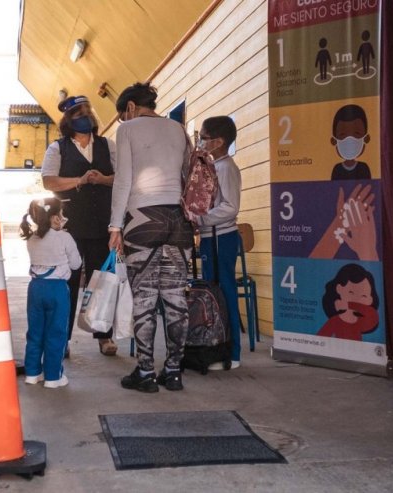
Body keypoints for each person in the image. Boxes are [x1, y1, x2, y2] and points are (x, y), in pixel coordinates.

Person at [109, 82, 194, 393]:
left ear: (130, 107)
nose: (122, 121)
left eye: (122, 115)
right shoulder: (178, 129)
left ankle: (145, 372)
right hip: (178, 221)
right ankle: (173, 371)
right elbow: (187, 176)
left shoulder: (128, 130)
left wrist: (115, 226)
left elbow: (124, 180)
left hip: (143, 220)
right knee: (175, 299)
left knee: (144, 299)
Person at [41, 95, 118, 357]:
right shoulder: (57, 148)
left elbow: (123, 178)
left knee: (102, 281)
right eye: (78, 114)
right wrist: (80, 180)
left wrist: (104, 179)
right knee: (68, 282)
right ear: (69, 121)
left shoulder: (109, 145)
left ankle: (103, 336)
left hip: (102, 225)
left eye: (87, 111)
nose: (85, 117)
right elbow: (49, 182)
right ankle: (62, 339)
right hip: (71, 228)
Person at [188, 116, 243, 370]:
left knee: (224, 292)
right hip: (211, 237)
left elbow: (230, 208)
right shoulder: (211, 166)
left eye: (204, 137)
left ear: (219, 142)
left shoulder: (225, 168)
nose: (200, 141)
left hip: (222, 237)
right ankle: (216, 346)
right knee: (212, 292)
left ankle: (232, 353)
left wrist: (201, 218)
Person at [20, 198, 82, 388]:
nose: (64, 218)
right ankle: (53, 377)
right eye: (61, 215)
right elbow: (76, 264)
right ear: (55, 218)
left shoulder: (31, 239)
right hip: (57, 290)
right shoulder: (64, 238)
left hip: (36, 289)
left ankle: (32, 373)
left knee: (35, 331)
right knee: (56, 333)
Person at [317, 263, 380, 341]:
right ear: (339, 289)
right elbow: (319, 339)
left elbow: (373, 316)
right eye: (351, 292)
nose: (357, 299)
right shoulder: (335, 321)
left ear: (370, 299)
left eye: (364, 296)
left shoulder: (361, 322)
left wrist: (348, 305)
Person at [330, 104, 372, 180]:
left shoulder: (363, 168)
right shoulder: (337, 169)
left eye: (357, 134)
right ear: (333, 141)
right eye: (342, 135)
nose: (349, 139)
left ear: (366, 138)